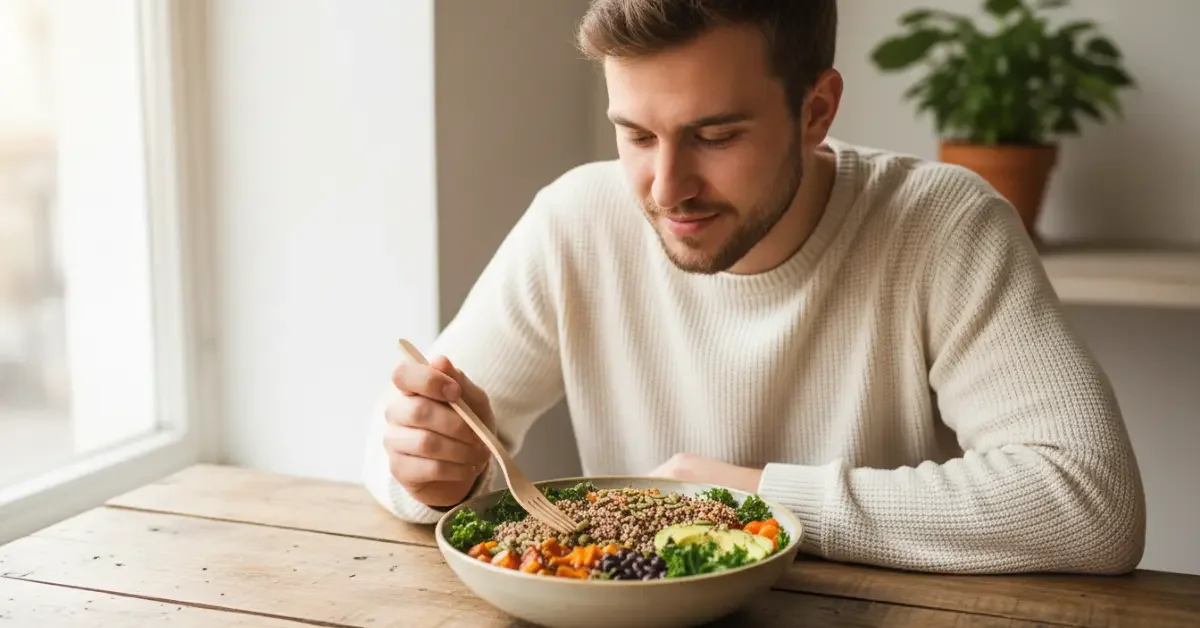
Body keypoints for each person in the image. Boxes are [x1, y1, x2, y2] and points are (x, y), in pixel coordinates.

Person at [363, 0, 1146, 575]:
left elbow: (1090, 501)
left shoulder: (942, 224)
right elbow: (400, 456)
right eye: (635, 135)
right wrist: (433, 468)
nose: (667, 188)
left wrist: (756, 500)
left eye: (715, 136)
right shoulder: (578, 219)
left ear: (817, 110)